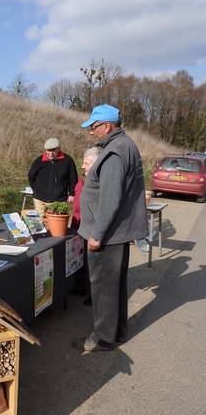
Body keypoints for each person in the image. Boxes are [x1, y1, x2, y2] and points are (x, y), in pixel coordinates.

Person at [74, 104, 148, 352]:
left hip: (107, 235)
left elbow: (110, 199)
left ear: (106, 126)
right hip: (116, 232)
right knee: (114, 285)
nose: (91, 133)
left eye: (94, 127)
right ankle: (117, 331)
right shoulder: (124, 145)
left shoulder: (115, 152)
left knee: (103, 287)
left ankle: (103, 338)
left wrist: (97, 234)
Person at [71, 146, 101, 304]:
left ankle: (93, 295)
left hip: (90, 229)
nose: (82, 166)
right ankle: (81, 286)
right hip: (78, 225)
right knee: (79, 257)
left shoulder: (98, 184)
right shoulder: (81, 182)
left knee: (92, 263)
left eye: (86, 163)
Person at [28, 137, 78, 216]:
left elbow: (73, 178)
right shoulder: (39, 161)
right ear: (45, 150)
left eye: (53, 150)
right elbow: (31, 176)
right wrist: (36, 190)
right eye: (48, 150)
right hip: (40, 200)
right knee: (41, 225)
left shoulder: (68, 161)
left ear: (59, 149)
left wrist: (72, 194)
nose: (51, 153)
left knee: (56, 226)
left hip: (59, 201)